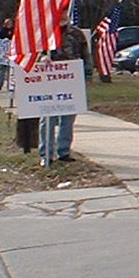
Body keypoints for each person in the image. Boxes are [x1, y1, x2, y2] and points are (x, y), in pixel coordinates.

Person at [38, 10, 92, 165]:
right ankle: (46, 154)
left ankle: (64, 152)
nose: (61, 15)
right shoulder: (46, 32)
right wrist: (42, 58)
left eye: (63, 12)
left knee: (68, 118)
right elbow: (33, 55)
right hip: (49, 81)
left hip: (71, 81)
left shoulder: (77, 34)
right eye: (58, 12)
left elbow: (86, 56)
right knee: (47, 118)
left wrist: (87, 77)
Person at [0, 17, 14, 88]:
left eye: (11, 23)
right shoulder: (2, 31)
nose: (10, 24)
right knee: (2, 69)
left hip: (12, 53)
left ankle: (10, 85)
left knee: (11, 70)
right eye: (8, 23)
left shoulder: (14, 30)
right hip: (3, 54)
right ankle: (0, 83)